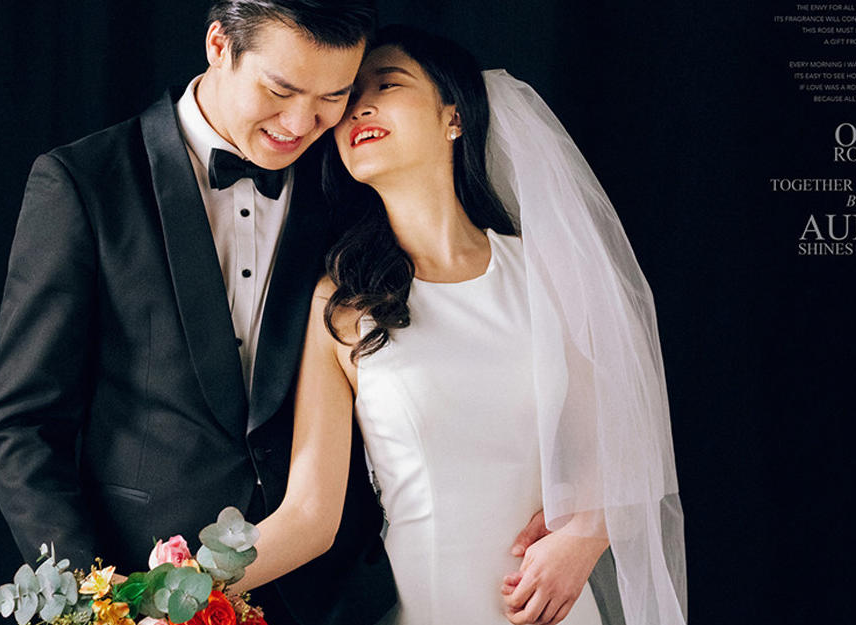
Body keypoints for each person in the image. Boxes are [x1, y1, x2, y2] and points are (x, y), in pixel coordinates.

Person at [231, 26, 686, 625]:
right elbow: (309, 518)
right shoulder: (340, 305)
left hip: (555, 610)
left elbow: (626, 438)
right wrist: (156, 595)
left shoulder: (548, 271)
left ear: (454, 116)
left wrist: (586, 537)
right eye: (348, 100)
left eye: (387, 85)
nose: (358, 109)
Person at [0, 2, 397, 623]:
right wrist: (94, 604)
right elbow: (24, 425)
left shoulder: (354, 179)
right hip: (141, 587)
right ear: (219, 45)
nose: (300, 123)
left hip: (332, 595)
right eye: (280, 90)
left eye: (331, 97)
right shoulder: (84, 182)